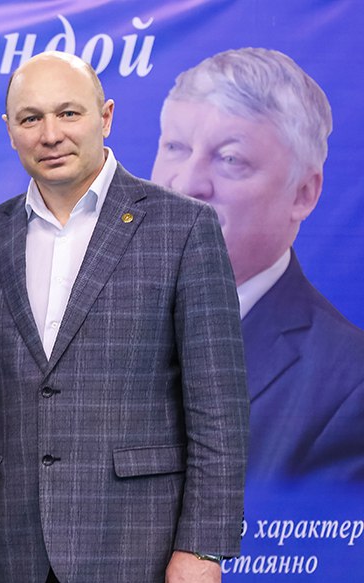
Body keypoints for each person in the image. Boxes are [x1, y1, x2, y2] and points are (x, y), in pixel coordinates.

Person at [0, 52, 249, 583]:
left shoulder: (182, 227)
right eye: (31, 118)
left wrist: (202, 546)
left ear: (105, 117)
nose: (50, 134)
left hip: (139, 558)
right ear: (9, 129)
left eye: (68, 113)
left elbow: (219, 407)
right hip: (10, 554)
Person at [151, 47, 364, 482]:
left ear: (303, 194)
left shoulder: (349, 387)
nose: (187, 184)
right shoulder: (96, 321)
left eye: (230, 159)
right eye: (175, 147)